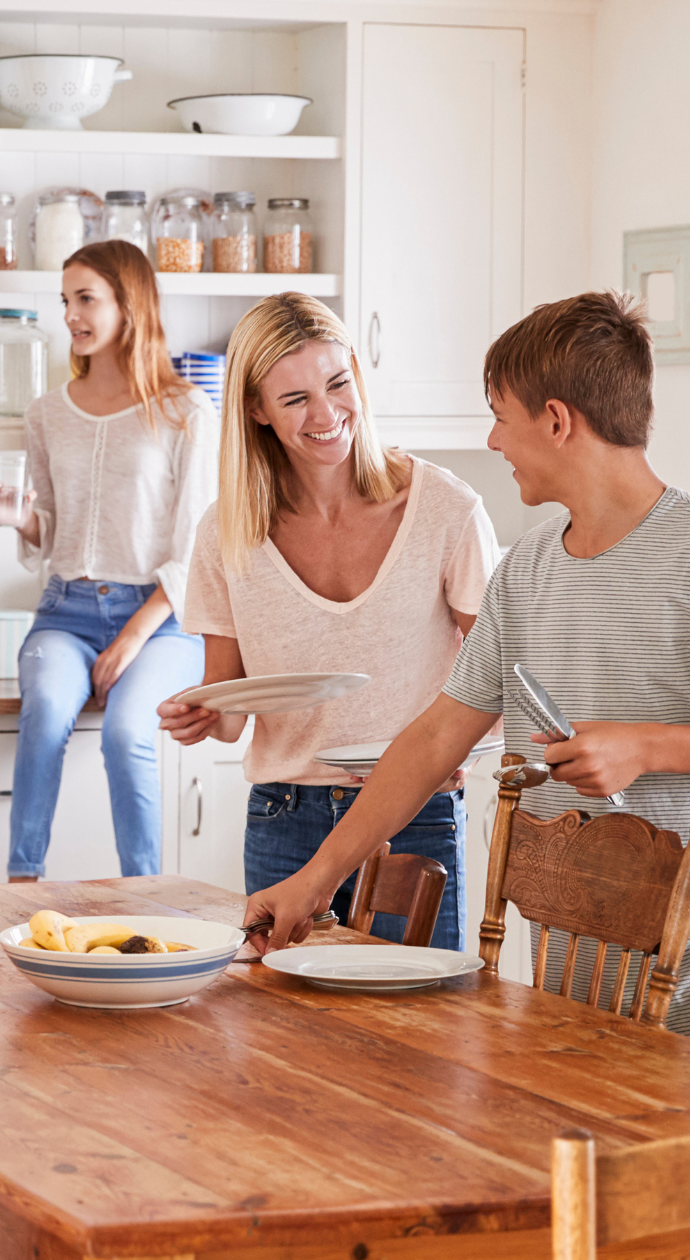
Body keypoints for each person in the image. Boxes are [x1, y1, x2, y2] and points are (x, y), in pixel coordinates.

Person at [240, 290, 690, 1043]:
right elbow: (434, 742)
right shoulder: (527, 570)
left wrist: (645, 747)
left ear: (556, 422)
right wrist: (314, 880)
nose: (493, 439)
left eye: (500, 415)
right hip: (580, 938)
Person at [157, 294, 498, 949]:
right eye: (294, 400)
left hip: (414, 812)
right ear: (255, 411)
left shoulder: (445, 508)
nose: (326, 414)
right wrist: (200, 716)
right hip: (285, 813)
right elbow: (229, 711)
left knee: (421, 1032)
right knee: (285, 1031)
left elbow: (498, 666)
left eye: (337, 384)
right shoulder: (226, 532)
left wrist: (466, 748)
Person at [0, 240, 215, 881]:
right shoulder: (47, 415)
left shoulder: (185, 411)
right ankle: (20, 883)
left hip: (163, 621)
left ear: (129, 305)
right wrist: (20, 518)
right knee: (45, 716)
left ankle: (142, 893)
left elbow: (198, 545)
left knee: (125, 734)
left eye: (86, 298)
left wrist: (132, 639)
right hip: (67, 611)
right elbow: (53, 526)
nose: (71, 315)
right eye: (66, 301)